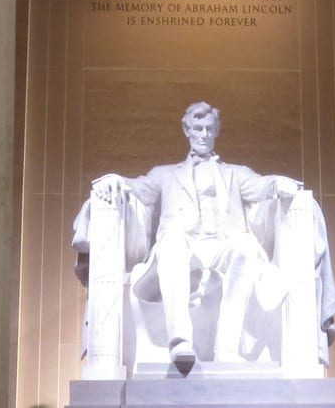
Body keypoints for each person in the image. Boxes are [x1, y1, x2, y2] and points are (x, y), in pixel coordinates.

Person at [89, 101, 305, 366]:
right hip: (183, 245)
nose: (203, 135)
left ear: (216, 133)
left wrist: (277, 183)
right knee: (174, 241)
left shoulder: (236, 174)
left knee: (247, 246)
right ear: (187, 130)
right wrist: (116, 180)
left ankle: (226, 348)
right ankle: (180, 341)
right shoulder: (164, 174)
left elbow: (261, 185)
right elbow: (138, 188)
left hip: (222, 245)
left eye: (209, 129)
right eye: (198, 128)